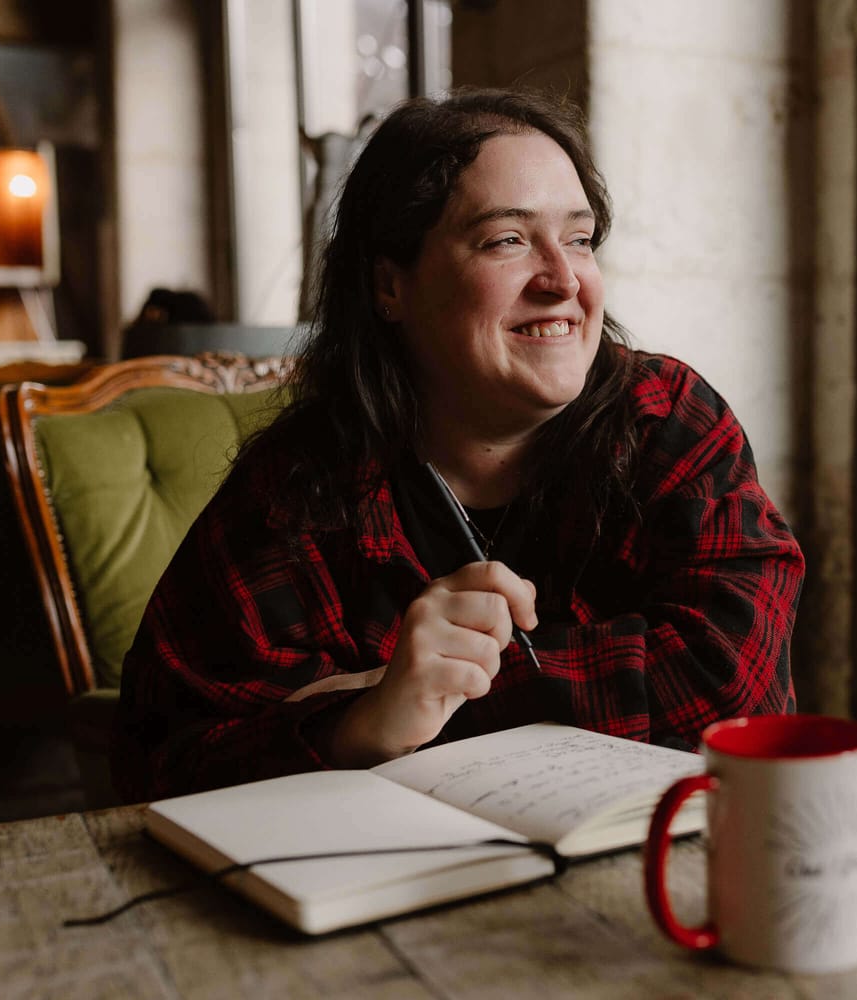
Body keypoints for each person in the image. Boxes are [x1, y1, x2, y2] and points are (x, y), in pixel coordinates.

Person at [112, 88, 804, 802]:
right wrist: (363, 724)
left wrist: (396, 699)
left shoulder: (669, 419)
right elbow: (164, 755)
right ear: (390, 285)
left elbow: (727, 690)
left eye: (578, 238)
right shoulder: (300, 485)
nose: (563, 280)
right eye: (507, 239)